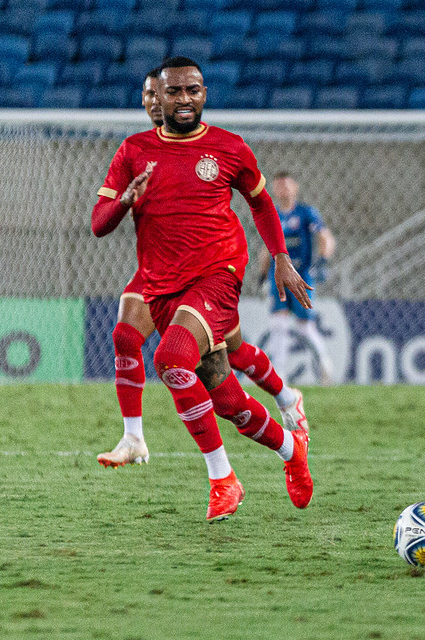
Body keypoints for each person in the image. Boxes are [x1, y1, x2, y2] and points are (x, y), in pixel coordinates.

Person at [92, 57, 313, 522]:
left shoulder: (228, 148)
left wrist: (281, 258)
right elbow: (98, 224)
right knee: (227, 398)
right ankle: (291, 448)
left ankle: (223, 479)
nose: (184, 99)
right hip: (160, 282)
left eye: (193, 90)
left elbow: (261, 202)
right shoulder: (132, 151)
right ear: (159, 97)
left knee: (170, 357)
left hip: (216, 275)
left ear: (204, 93)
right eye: (174, 92)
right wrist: (125, 201)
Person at [259, 171, 336, 386]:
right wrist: (262, 274)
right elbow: (266, 248)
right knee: (278, 324)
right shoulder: (271, 213)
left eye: (286, 184)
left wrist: (323, 260)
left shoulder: (306, 213)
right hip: (279, 277)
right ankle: (280, 375)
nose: (282, 189)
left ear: (295, 187)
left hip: (301, 275)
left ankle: (324, 363)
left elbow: (326, 238)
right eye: (278, 185)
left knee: (304, 326)